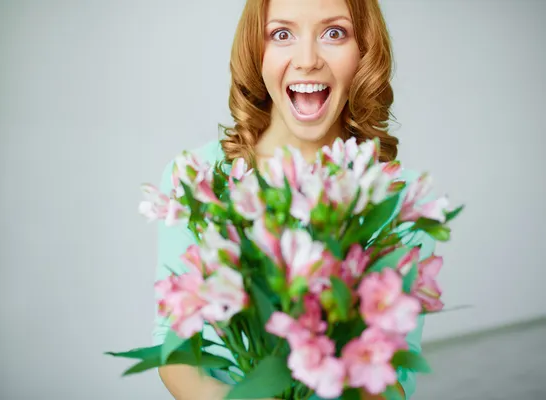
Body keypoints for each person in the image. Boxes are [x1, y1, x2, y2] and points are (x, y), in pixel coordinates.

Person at [151, 0, 436, 398]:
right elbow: (176, 352)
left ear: (365, 51)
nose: (307, 60)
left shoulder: (394, 197)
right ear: (257, 51)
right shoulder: (198, 176)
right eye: (281, 34)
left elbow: (391, 378)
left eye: (334, 33)